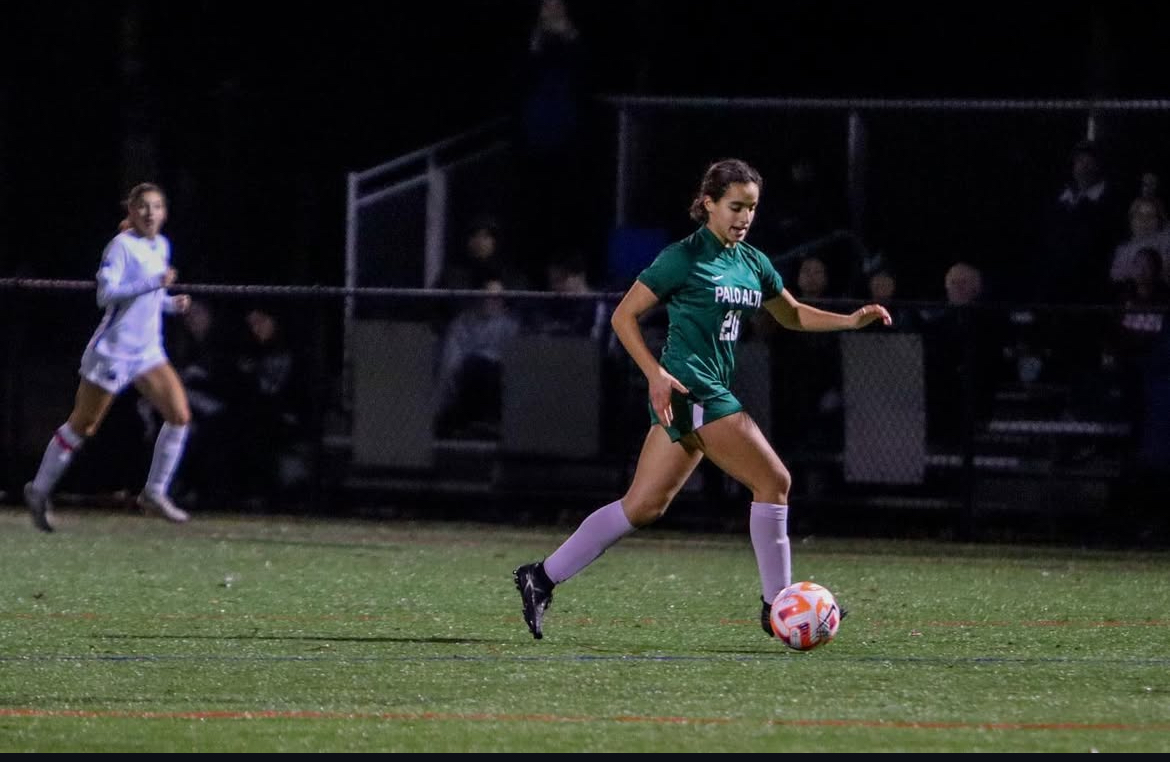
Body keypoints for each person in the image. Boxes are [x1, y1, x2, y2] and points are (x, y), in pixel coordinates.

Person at [512, 158, 892, 640]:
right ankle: (777, 605)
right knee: (774, 480)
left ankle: (539, 577)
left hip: (708, 390)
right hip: (694, 389)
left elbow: (792, 315)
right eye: (735, 206)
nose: (744, 217)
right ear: (708, 203)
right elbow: (623, 317)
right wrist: (655, 375)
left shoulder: (753, 261)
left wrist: (849, 321)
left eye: (751, 208)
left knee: (643, 506)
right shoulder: (684, 257)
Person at [23, 183, 194, 531]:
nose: (149, 212)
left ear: (164, 213)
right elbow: (107, 295)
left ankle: (154, 492)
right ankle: (38, 490)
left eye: (156, 206)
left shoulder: (161, 245)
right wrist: (153, 283)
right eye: (142, 206)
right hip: (114, 352)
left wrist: (169, 304)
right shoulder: (120, 246)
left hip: (148, 351)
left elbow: (148, 297)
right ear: (130, 212)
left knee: (179, 416)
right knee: (83, 425)